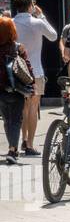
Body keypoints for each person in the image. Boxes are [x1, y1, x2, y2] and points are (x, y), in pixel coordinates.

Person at [11, 0, 57, 155]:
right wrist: (42, 16)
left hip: (16, 71)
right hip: (35, 70)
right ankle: (30, 144)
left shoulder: (11, 22)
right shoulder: (37, 22)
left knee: (22, 107)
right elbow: (53, 36)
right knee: (32, 107)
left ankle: (23, 139)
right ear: (30, 5)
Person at [0, 15, 33, 165]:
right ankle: (12, 149)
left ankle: (12, 147)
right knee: (16, 120)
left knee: (7, 120)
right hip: (16, 89)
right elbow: (27, 67)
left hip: (1, 90)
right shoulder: (18, 47)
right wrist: (32, 84)